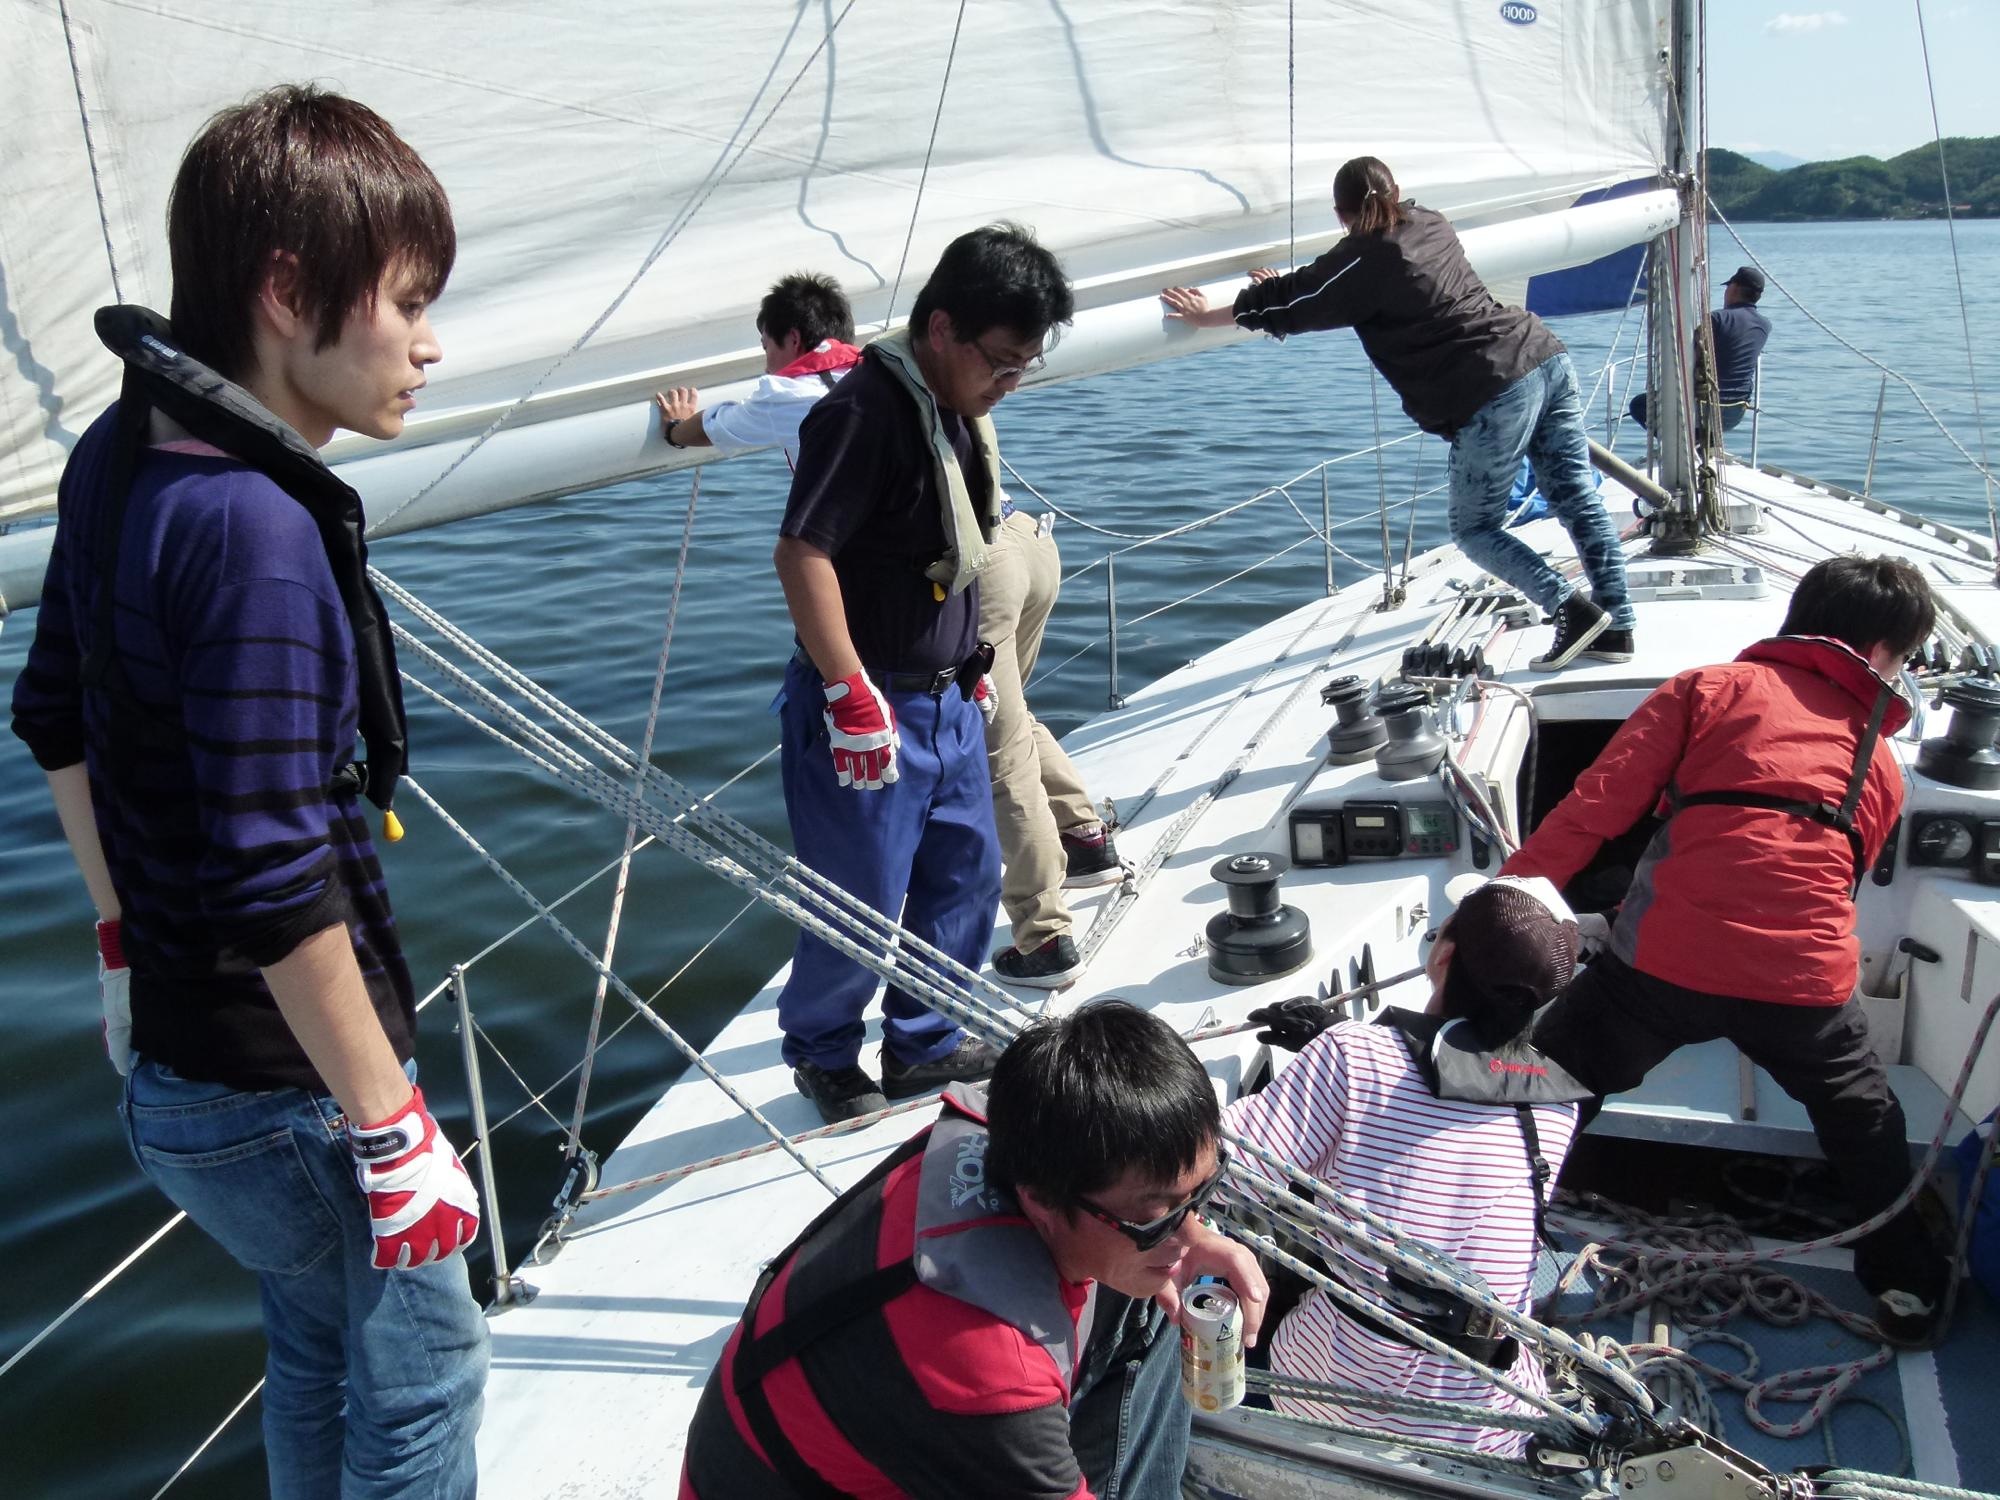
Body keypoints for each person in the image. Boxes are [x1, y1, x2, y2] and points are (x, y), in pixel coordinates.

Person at [9, 86, 489, 1494]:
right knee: (425, 1376)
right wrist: (388, 1128)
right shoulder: (256, 532)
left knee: (314, 1343)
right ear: (287, 291)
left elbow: (52, 718)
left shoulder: (117, 456)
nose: (430, 343)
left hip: (177, 1069)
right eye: (408, 302)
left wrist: (119, 944)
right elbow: (278, 880)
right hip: (294, 1090)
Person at [1503, 554, 1946, 1340]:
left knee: (1547, 1083)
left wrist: (1502, 904)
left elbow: (1593, 811)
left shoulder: (1704, 689)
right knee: (1864, 1121)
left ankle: (1485, 1227)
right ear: (1882, 653)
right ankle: (1908, 1286)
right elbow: (1846, 873)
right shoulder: (1881, 759)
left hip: (1662, 968)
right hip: (1803, 986)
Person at [679, 999, 1271, 1499]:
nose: (1186, 1232)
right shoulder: (993, 1372)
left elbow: (1160, 1223)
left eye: (1202, 1193)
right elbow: (988, 1382)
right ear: (1041, 1197)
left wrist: (1191, 1233)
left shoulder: (1016, 1129)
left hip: (841, 1416)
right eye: (1154, 1214)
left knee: (1163, 1298)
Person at [772, 223, 1073, 1123]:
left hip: (950, 698)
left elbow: (947, 550)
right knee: (859, 896)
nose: (1009, 383)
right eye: (1001, 363)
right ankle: (825, 1055)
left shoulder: (953, 409)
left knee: (965, 878)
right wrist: (847, 692)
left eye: (1024, 367)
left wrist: (969, 661)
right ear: (941, 329)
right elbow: (802, 553)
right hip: (869, 708)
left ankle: (923, 1040)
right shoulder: (863, 414)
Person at [1162, 155, 1636, 672]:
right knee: (1576, 498)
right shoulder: (1431, 221)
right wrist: (1283, 287)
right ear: (1396, 191)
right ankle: (1618, 627)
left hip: (1491, 386)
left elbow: (1305, 298)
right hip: (1544, 355)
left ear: (1339, 214)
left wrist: (1206, 315)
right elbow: (1317, 287)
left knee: (1475, 528)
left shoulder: (1364, 259)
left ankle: (1571, 609)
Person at [1231, 876, 1588, 1456]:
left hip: (1332, 1392)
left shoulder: (1352, 1057)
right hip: (1494, 1422)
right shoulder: (1556, 1106)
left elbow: (1221, 1171)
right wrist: (1338, 1041)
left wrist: (1331, 1050)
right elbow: (1451, 1097)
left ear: (1442, 953)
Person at [982, 499, 1123, 988]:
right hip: (1028, 537)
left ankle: (1043, 938)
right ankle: (1083, 841)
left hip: (982, 561)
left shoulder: (832, 439)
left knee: (996, 751)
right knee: (1008, 715)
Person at [656, 272, 862, 466]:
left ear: (793, 339)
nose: (767, 368)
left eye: (766, 347)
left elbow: (710, 430)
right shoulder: (869, 370)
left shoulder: (791, 395)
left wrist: (674, 428)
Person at [1628, 265, 1771, 441]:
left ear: (1734, 288)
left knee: (1639, 405)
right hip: (1735, 412)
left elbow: (1685, 360)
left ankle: (1682, 445)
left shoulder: (1716, 319)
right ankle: (1702, 443)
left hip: (1704, 409)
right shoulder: (1765, 325)